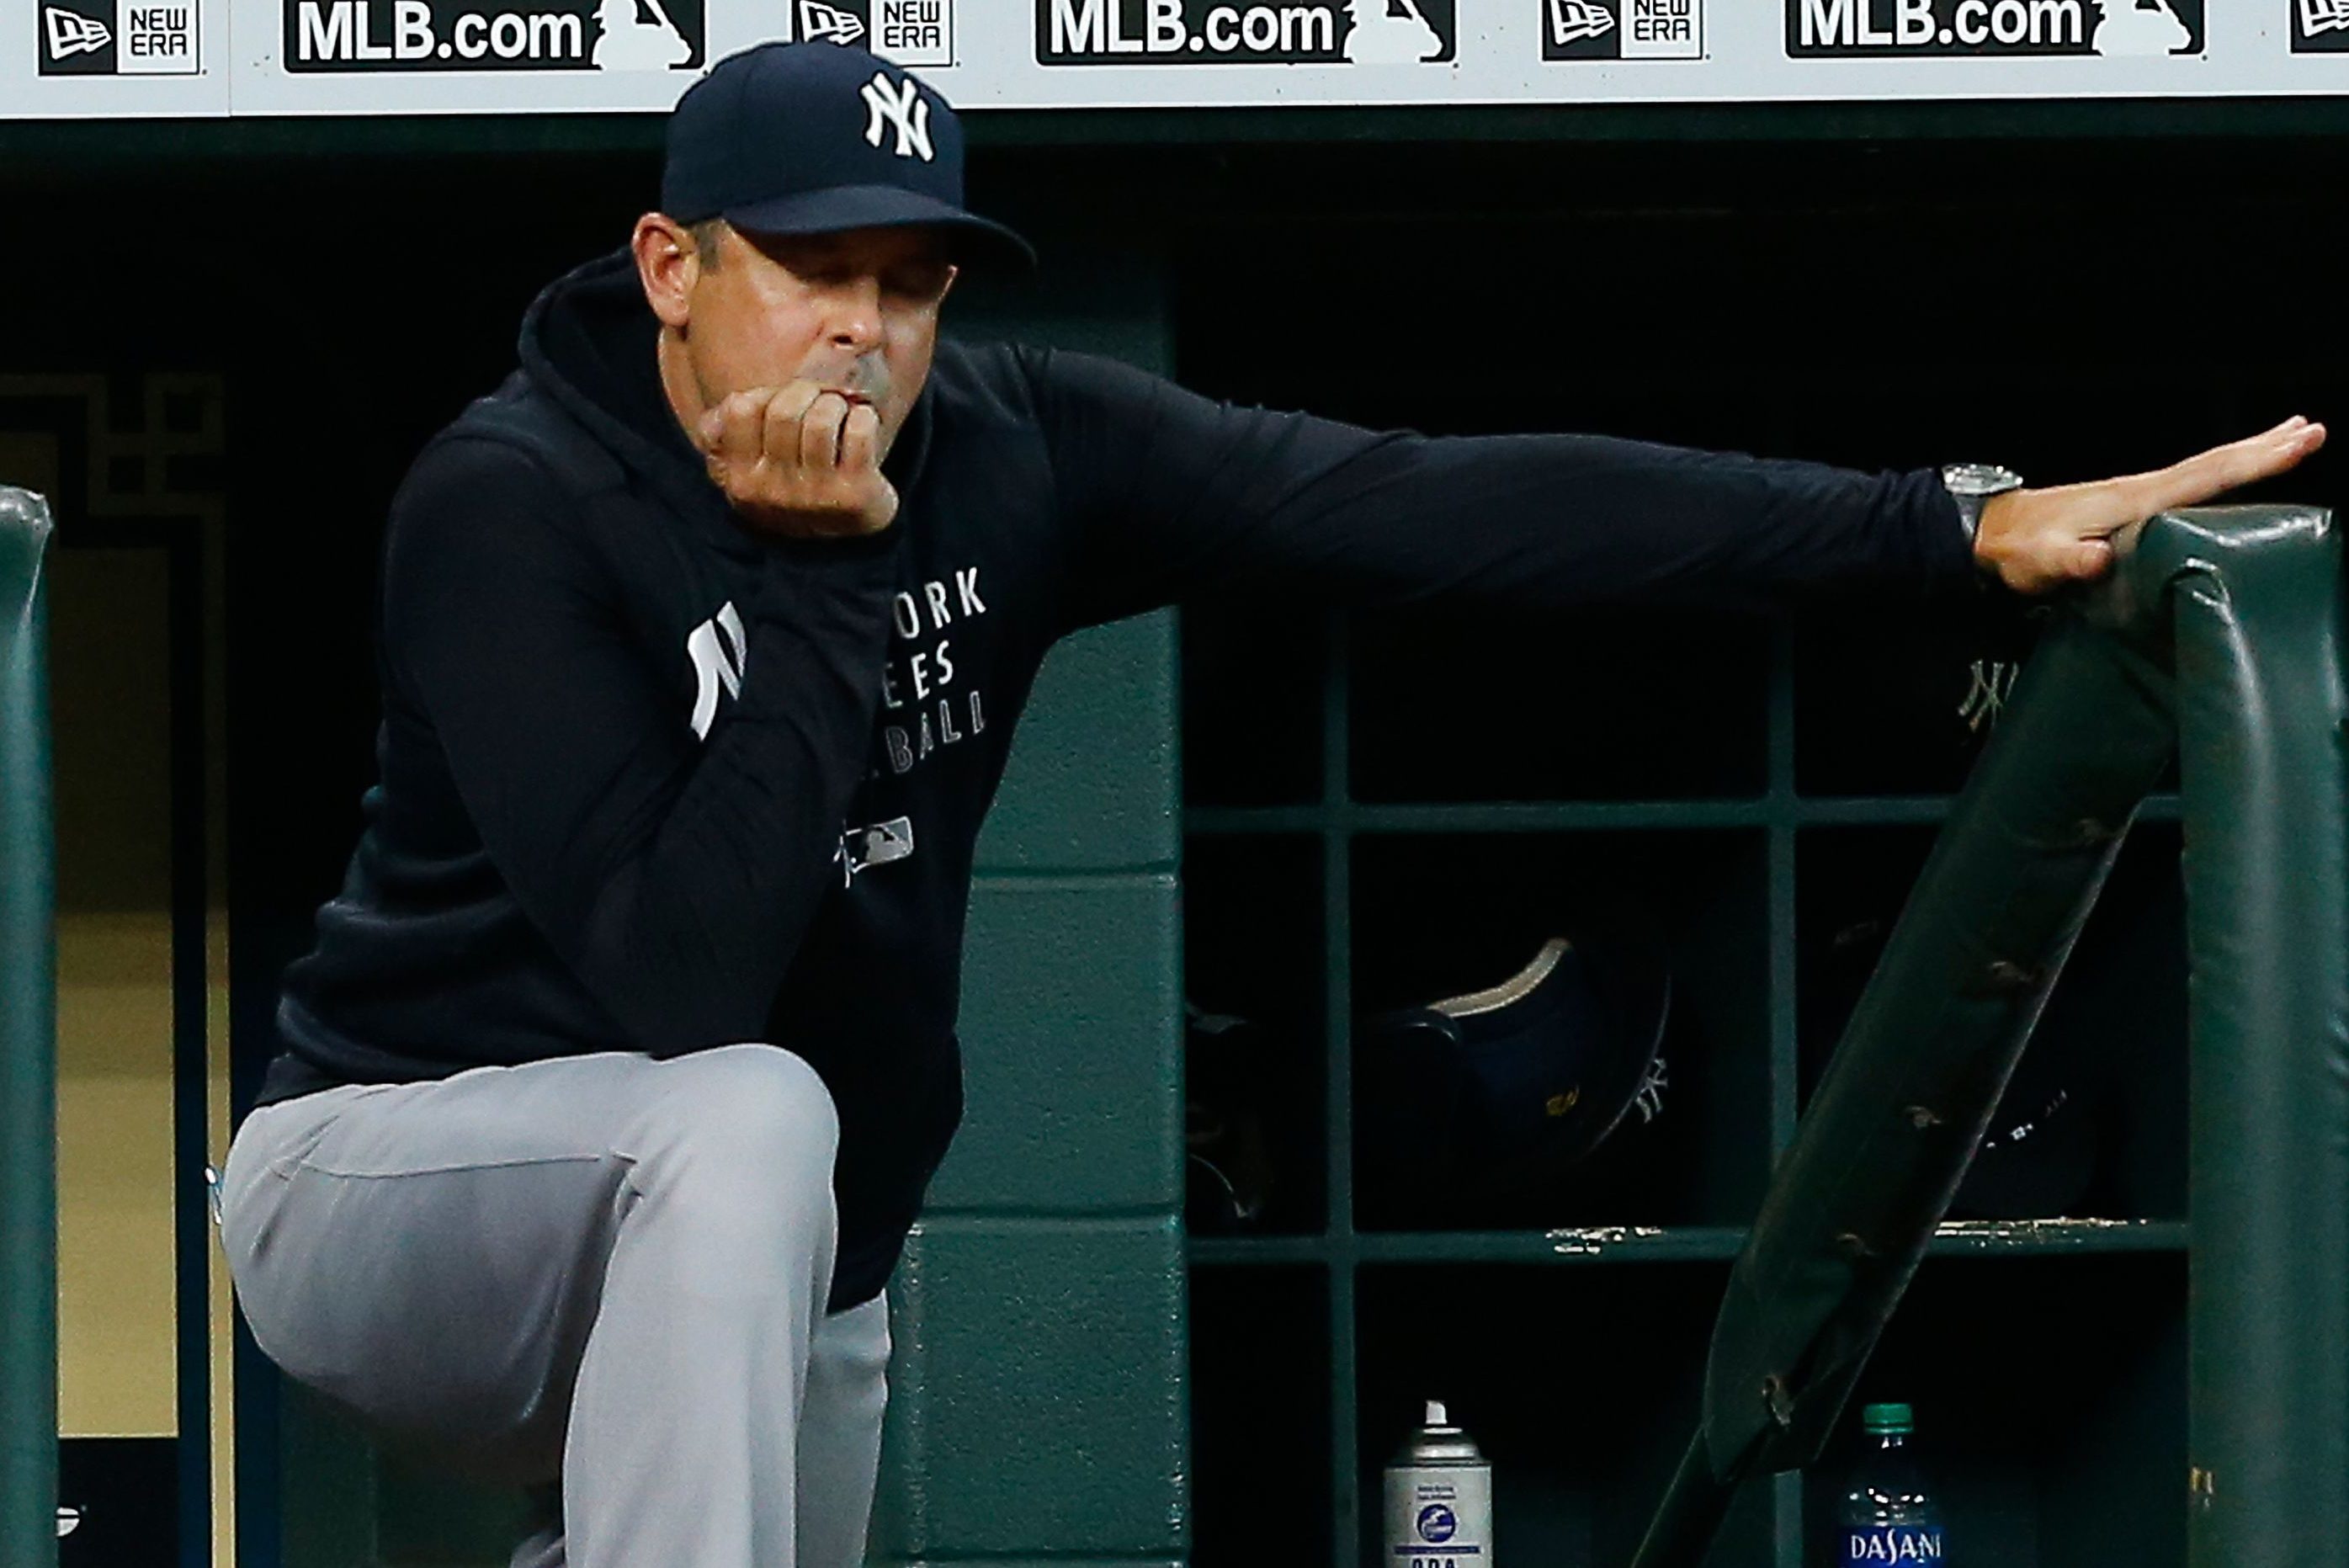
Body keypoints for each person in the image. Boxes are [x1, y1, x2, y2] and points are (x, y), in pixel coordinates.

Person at [214, 36, 2325, 1568]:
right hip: (385, 1193)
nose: (861, 330)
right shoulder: (513, 501)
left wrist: (1934, 530)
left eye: (913, 279)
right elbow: (676, 973)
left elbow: (1427, 501)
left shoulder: (1015, 447)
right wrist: (824, 580)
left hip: (770, 1255)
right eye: (807, 267)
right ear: (672, 265)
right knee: (756, 1103)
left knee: (795, 1211)